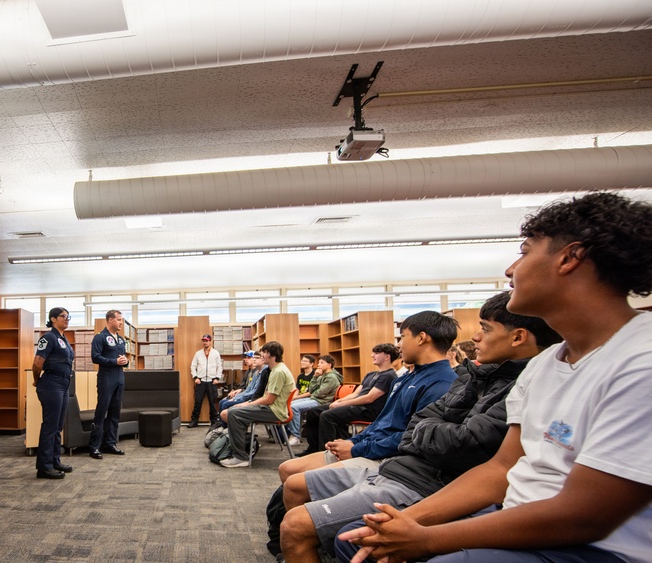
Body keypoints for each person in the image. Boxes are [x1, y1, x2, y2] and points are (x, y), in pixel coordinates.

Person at [337, 192, 652, 563]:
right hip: (523, 518)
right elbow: (502, 468)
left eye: (525, 250)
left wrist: (426, 540)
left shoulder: (640, 362)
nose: (509, 271)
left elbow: (586, 516)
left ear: (570, 258)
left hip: (595, 548)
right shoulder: (547, 361)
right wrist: (406, 522)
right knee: (358, 539)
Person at [278, 291, 561, 561]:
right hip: (400, 464)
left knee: (301, 517)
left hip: (413, 474)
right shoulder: (468, 377)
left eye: (485, 329)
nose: (475, 337)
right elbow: (415, 424)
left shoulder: (454, 380)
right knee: (293, 486)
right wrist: (373, 440)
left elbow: (462, 441)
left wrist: (361, 445)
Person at [278, 312, 457, 481]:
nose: (399, 345)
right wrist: (352, 441)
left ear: (421, 337)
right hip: (370, 445)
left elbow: (411, 438)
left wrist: (356, 448)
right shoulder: (405, 378)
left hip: (387, 457)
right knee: (287, 468)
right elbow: (382, 422)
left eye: (403, 336)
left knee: (296, 483)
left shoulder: (442, 384)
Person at [299, 344, 398, 457]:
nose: (372, 355)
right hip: (357, 406)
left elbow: (369, 398)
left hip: (368, 410)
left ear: (387, 357)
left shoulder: (389, 375)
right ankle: (313, 448)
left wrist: (343, 404)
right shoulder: (371, 374)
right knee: (313, 412)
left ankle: (326, 453)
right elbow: (356, 394)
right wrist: (339, 401)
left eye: (376, 353)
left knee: (327, 416)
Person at [219, 340, 296, 468]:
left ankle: (240, 457)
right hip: (271, 408)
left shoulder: (278, 372)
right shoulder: (275, 369)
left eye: (264, 353)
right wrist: (249, 404)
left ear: (271, 355)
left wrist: (247, 405)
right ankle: (243, 449)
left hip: (274, 411)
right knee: (235, 412)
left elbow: (269, 399)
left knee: (233, 413)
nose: (261, 356)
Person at [33, 307, 75, 479]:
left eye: (68, 316)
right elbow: (37, 362)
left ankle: (55, 460)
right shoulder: (48, 337)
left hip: (64, 383)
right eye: (64, 317)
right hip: (51, 383)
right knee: (50, 426)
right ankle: (44, 467)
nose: (67, 319)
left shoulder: (63, 338)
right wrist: (37, 380)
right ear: (53, 319)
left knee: (58, 426)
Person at [88, 309, 129, 459]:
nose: (121, 323)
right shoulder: (100, 337)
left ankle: (110, 443)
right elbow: (95, 357)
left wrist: (126, 361)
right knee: (101, 412)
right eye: (119, 320)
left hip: (119, 378)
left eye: (122, 320)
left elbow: (122, 358)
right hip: (106, 379)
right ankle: (94, 446)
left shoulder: (120, 339)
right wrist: (114, 362)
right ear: (110, 320)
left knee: (114, 412)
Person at [286, 355, 342, 446]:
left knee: (293, 407)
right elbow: (311, 390)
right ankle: (294, 433)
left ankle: (295, 436)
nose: (319, 365)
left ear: (329, 365)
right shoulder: (321, 375)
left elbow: (321, 393)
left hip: (322, 401)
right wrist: (315, 377)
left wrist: (313, 394)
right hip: (315, 398)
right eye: (319, 362)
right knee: (289, 403)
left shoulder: (331, 377)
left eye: (322, 363)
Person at [188, 333, 223, 427]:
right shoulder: (198, 353)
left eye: (206, 340)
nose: (205, 342)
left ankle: (214, 421)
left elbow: (219, 366)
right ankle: (194, 421)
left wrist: (217, 378)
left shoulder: (215, 353)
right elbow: (193, 366)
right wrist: (195, 377)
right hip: (201, 381)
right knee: (198, 402)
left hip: (212, 381)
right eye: (203, 340)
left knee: (212, 402)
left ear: (210, 342)